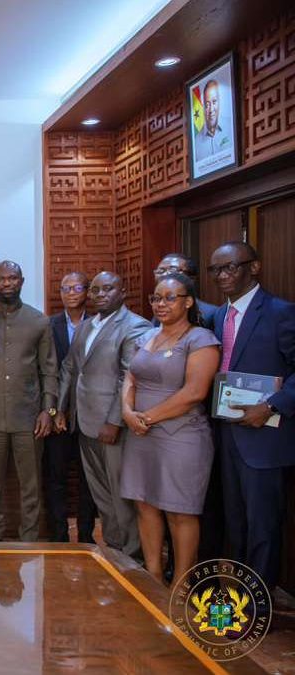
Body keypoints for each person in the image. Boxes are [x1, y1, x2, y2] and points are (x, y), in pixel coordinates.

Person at [120, 273, 220, 585]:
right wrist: (127, 412)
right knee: (145, 504)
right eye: (156, 298)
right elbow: (131, 378)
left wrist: (146, 418)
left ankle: (180, 584)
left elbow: (194, 393)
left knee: (180, 511)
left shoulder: (200, 339)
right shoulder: (148, 336)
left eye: (170, 298)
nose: (161, 304)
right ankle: (153, 578)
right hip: (140, 434)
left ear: (188, 302)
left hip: (181, 436)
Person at [209, 242, 295, 590]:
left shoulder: (280, 312)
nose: (222, 275)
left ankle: (258, 605)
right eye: (216, 270)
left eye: (230, 267)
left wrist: (272, 405)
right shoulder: (218, 316)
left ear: (254, 267)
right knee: (236, 525)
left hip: (265, 439)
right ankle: (238, 597)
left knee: (263, 527)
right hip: (227, 434)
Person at [57, 271, 151, 559]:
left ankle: (133, 557)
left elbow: (129, 377)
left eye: (107, 289)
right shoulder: (87, 325)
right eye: (95, 290)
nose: (100, 295)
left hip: (113, 427)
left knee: (121, 494)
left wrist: (114, 420)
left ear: (122, 292)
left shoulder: (135, 326)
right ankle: (114, 551)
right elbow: (70, 367)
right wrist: (60, 407)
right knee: (101, 494)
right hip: (85, 422)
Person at [0, 261, 57, 542]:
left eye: (12, 278)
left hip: (29, 417)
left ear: (22, 281)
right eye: (1, 279)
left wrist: (48, 410)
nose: (7, 283)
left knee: (30, 484)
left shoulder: (39, 321)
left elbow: (49, 369)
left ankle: (28, 539)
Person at [44, 272, 97, 543]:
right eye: (66, 288)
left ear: (87, 291)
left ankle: (86, 535)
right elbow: (45, 371)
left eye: (77, 288)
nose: (71, 293)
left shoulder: (98, 324)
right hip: (58, 415)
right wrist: (54, 411)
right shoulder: (48, 325)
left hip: (90, 413)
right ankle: (59, 535)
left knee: (89, 478)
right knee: (56, 476)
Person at [153, 253, 217, 329]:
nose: (165, 275)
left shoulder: (210, 314)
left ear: (192, 278)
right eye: (161, 271)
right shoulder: (159, 309)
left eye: (173, 270)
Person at [193, 79, 232, 160]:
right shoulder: (196, 142)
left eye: (214, 102)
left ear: (219, 102)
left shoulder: (231, 126)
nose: (211, 109)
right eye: (207, 105)